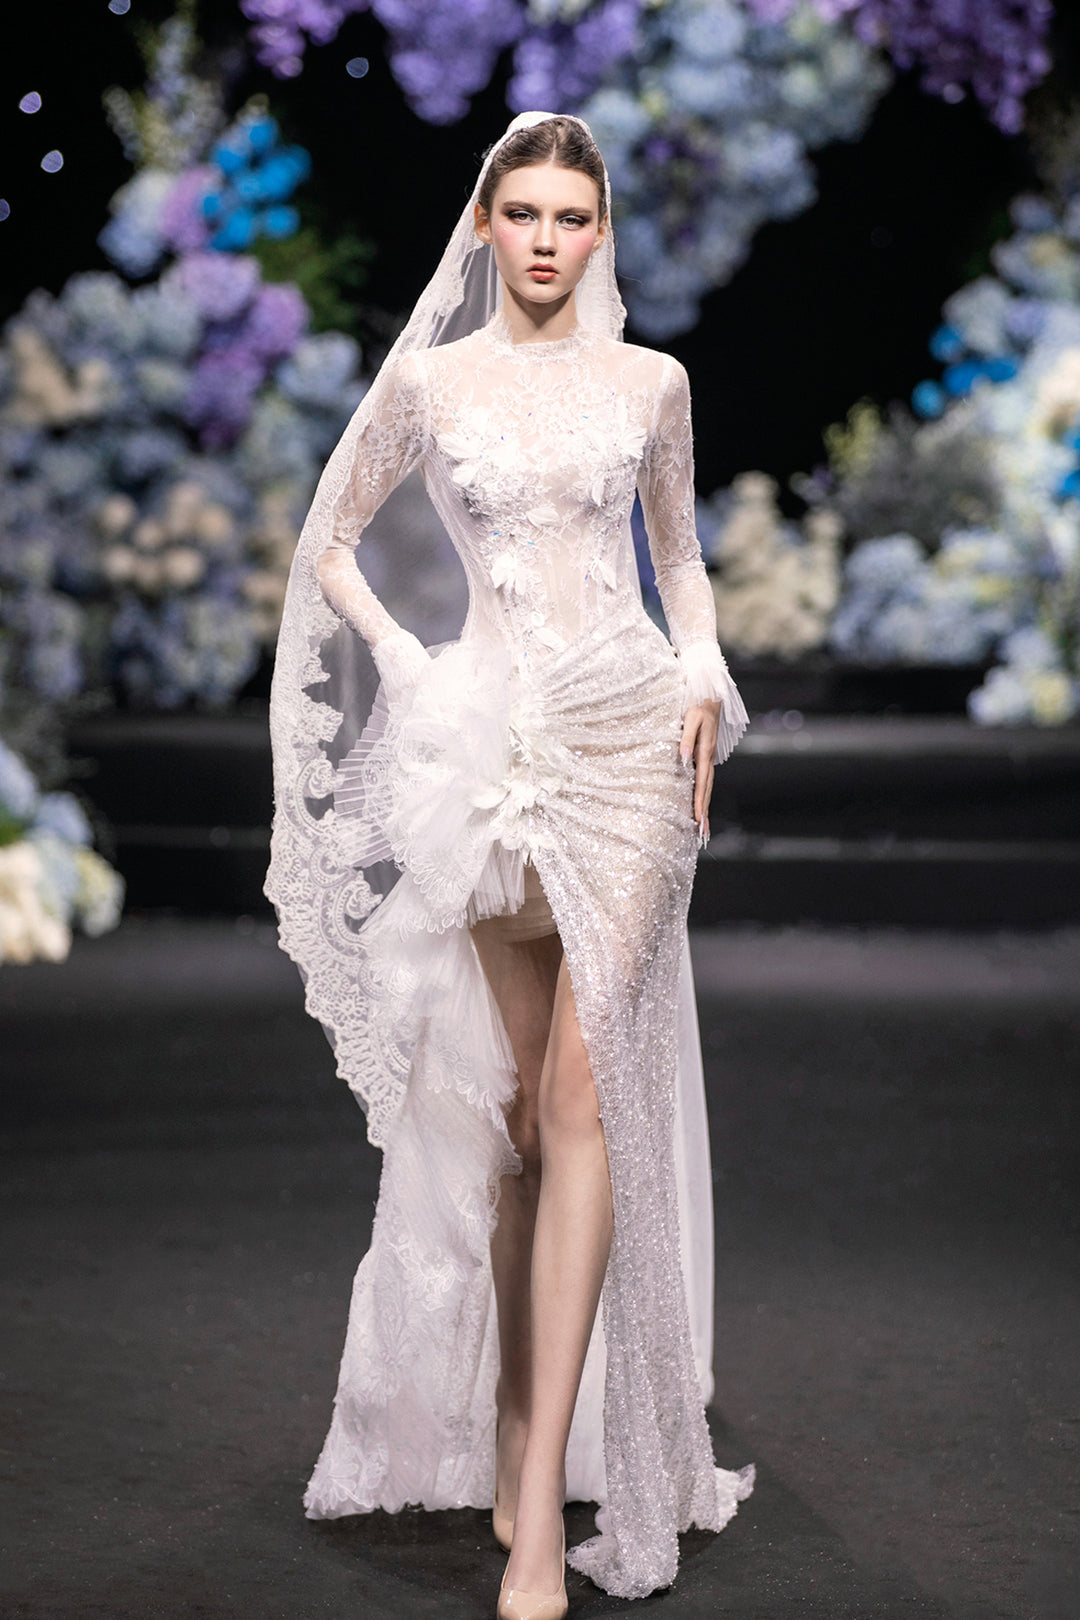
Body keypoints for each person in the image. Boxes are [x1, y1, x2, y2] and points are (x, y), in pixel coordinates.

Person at [265, 111, 753, 1618]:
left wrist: (703, 673)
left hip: (630, 741)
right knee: (533, 1127)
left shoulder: (652, 383)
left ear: (602, 233)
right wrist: (413, 666)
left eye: (572, 217)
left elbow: (679, 560)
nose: (547, 240)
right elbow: (329, 538)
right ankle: (516, 1429)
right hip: (490, 751)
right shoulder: (432, 382)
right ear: (484, 225)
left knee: (587, 1103)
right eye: (524, 214)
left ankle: (538, 1510)